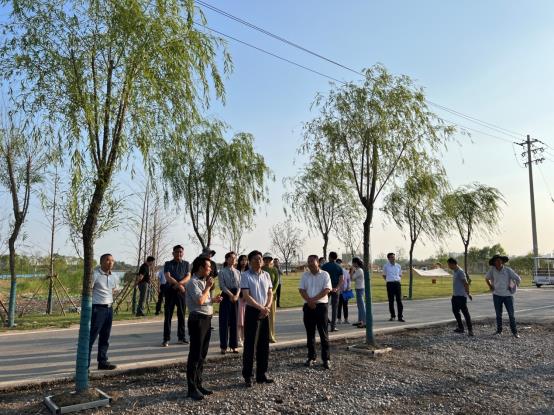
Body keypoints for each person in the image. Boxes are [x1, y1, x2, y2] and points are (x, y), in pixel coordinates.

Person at [185, 256, 223, 400]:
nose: (210, 269)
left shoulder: (202, 281)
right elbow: (199, 300)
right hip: (197, 320)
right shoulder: (193, 282)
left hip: (207, 320)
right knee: (195, 355)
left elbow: (205, 299)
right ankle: (191, 388)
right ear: (200, 268)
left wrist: (213, 300)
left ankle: (199, 384)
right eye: (208, 267)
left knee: (202, 355)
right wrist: (208, 287)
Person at [241, 250, 274, 387]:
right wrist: (260, 308)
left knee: (264, 345)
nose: (258, 261)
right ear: (250, 261)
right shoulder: (245, 275)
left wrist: (267, 307)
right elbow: (246, 296)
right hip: (253, 312)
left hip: (265, 312)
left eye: (260, 258)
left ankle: (262, 374)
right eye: (255, 259)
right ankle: (248, 375)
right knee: (250, 345)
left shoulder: (266, 275)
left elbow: (270, 293)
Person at [299, 254, 332, 369]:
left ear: (318, 262)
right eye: (308, 261)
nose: (310, 263)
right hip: (308, 306)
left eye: (312, 261)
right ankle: (311, 357)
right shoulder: (305, 275)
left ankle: (326, 359)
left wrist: (313, 300)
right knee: (310, 333)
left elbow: (327, 289)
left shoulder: (325, 274)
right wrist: (309, 301)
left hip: (321, 306)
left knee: (323, 333)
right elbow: (301, 289)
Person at [89, 253, 117, 370]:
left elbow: (113, 290)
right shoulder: (95, 275)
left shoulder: (114, 276)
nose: (110, 262)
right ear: (101, 262)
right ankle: (85, 364)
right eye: (107, 260)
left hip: (109, 308)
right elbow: (88, 290)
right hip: (98, 309)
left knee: (105, 337)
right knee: (92, 336)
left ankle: (102, 362)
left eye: (112, 260)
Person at [485, 254, 521, 338]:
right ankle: (499, 330)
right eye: (496, 261)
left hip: (508, 296)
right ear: (494, 262)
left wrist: (512, 285)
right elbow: (486, 278)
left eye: (499, 260)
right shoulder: (492, 270)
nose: (497, 262)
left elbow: (518, 279)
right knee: (498, 314)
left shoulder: (508, 270)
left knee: (511, 315)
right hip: (496, 295)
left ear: (502, 261)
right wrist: (490, 286)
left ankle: (515, 332)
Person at [162, 245, 191, 347]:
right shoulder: (168, 264)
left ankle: (181, 338)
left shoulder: (186, 264)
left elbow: (188, 276)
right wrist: (179, 285)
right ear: (173, 253)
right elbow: (168, 277)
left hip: (181, 293)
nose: (179, 253)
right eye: (177, 251)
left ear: (183, 253)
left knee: (182, 315)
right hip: (170, 291)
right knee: (168, 316)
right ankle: (166, 339)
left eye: (180, 252)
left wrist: (180, 285)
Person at [219, 251, 241, 354]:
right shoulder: (222, 272)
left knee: (234, 322)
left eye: (234, 258)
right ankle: (223, 346)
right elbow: (222, 286)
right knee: (224, 322)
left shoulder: (238, 272)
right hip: (226, 296)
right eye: (231, 258)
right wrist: (231, 295)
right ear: (226, 259)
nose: (233, 259)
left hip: (236, 297)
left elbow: (240, 285)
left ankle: (234, 345)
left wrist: (237, 295)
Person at [447, 258, 473, 336]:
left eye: (449, 264)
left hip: (461, 296)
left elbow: (465, 283)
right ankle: (461, 327)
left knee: (465, 313)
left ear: (453, 264)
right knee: (455, 311)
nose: (448, 266)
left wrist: (468, 293)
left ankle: (470, 330)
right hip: (455, 296)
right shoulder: (455, 272)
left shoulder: (460, 272)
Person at [321, 252, 344, 332]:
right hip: (335, 289)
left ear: (330, 257)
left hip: (326, 289)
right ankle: (333, 326)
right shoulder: (339, 267)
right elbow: (341, 279)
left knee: (324, 307)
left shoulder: (324, 266)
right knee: (335, 308)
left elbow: (321, 278)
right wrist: (337, 288)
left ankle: (324, 324)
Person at [262, 252, 279, 343]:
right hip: (262, 297)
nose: (267, 260)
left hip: (272, 297)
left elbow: (276, 282)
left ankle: (271, 336)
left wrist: (272, 292)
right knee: (262, 317)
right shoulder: (261, 269)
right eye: (265, 259)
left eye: (269, 259)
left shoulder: (274, 270)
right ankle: (263, 336)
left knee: (271, 318)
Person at [383, 252, 404, 322]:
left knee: (399, 301)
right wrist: (389, 280)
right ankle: (393, 316)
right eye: (392, 257)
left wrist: (397, 280)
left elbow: (400, 275)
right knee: (391, 301)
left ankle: (400, 317)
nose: (393, 258)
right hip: (390, 284)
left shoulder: (398, 266)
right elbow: (384, 275)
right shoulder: (386, 266)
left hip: (397, 284)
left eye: (394, 257)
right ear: (388, 258)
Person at [236, 254, 249, 347]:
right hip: (239, 298)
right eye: (242, 260)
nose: (244, 262)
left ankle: (245, 338)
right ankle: (239, 338)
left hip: (248, 299)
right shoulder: (237, 272)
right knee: (239, 320)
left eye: (245, 260)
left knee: (246, 320)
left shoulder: (249, 272)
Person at [351, 257, 366, 328]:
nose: (352, 264)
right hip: (359, 288)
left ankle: (364, 321)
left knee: (361, 306)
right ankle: (360, 320)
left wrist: (352, 271)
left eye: (353, 263)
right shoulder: (358, 270)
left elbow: (352, 278)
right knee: (359, 306)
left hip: (360, 289)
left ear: (356, 263)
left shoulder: (359, 270)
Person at [336, 258, 351, 325]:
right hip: (338, 291)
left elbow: (349, 280)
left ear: (341, 264)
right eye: (338, 263)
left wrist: (348, 287)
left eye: (340, 263)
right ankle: (339, 319)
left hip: (345, 291)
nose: (339, 264)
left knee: (345, 305)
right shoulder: (335, 271)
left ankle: (346, 319)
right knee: (339, 306)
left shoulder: (346, 271)